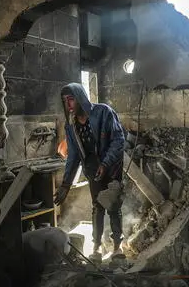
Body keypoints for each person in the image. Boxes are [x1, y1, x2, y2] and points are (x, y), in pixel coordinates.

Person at [53, 83, 126, 257]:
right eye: (65, 101)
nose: (68, 105)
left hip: (111, 166)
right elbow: (73, 157)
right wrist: (65, 184)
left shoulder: (103, 112)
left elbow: (118, 140)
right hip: (93, 168)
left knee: (114, 206)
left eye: (71, 100)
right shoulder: (71, 126)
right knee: (97, 207)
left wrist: (106, 164)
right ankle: (97, 247)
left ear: (80, 98)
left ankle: (117, 246)